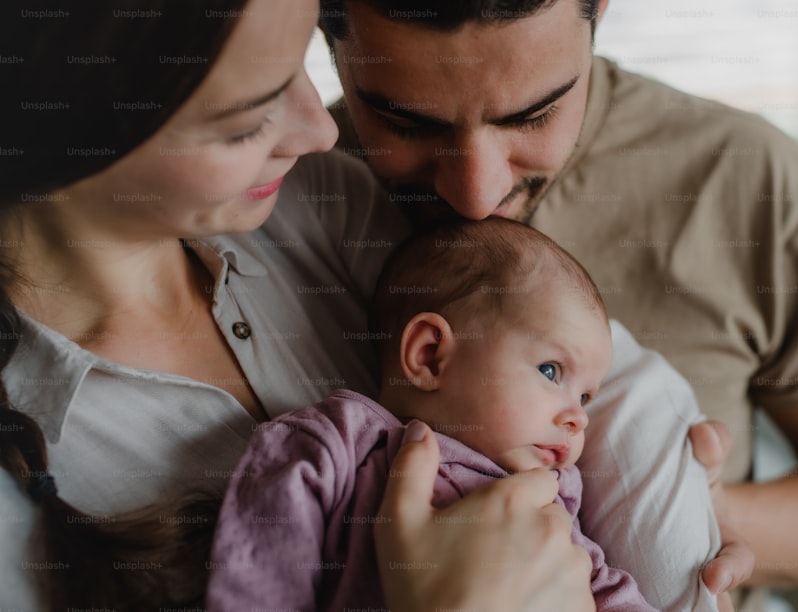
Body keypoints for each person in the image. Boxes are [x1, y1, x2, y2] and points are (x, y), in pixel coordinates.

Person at [0, 1, 621, 610]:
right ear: (70, 115)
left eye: (301, 65)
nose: (322, 130)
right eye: (246, 118)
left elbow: (575, 346)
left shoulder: (320, 201)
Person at [320, 0, 798, 608]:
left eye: (534, 115)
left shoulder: (743, 178)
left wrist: (697, 516)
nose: (478, 194)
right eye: (407, 124)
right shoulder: (275, 195)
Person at [207, 217, 721, 611]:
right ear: (431, 355)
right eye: (549, 371)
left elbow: (604, 585)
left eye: (587, 397)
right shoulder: (338, 443)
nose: (577, 418)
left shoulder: (550, 495)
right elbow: (259, 568)